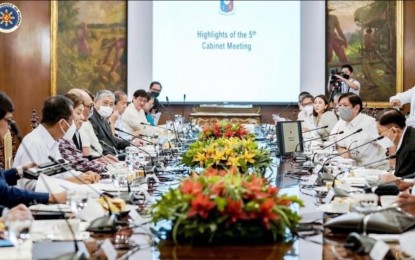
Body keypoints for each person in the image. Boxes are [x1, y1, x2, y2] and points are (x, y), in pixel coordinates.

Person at [13, 95, 100, 191]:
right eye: (71, 120)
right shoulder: (34, 143)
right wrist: (71, 182)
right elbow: (30, 185)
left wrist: (82, 176)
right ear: (62, 124)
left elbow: (61, 172)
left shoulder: (53, 141)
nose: (72, 124)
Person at [0, 92, 67, 206]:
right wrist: (50, 198)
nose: (9, 127)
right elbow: (3, 192)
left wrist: (18, 172)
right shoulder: (34, 142)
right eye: (8, 120)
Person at [330, 93, 387, 168]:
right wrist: (341, 150)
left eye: (345, 105)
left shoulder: (370, 123)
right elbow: (338, 144)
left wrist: (393, 169)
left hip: (374, 169)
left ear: (356, 108)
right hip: (355, 169)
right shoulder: (342, 123)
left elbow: (390, 145)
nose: (341, 108)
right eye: (340, 105)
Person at [58, 93, 107, 174]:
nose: (83, 117)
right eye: (78, 113)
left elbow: (80, 160)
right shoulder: (61, 137)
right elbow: (78, 164)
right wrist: (106, 168)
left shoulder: (75, 131)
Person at [376, 108, 415, 177]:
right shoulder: (409, 132)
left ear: (394, 131)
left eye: (380, 133)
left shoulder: (410, 150)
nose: (379, 137)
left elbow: (402, 181)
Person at [89, 90, 129, 156]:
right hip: (106, 158)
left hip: (114, 155)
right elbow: (97, 145)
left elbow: (112, 139)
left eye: (111, 104)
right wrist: (114, 158)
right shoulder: (91, 118)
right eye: (105, 103)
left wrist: (130, 143)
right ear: (95, 102)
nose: (108, 107)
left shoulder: (103, 118)